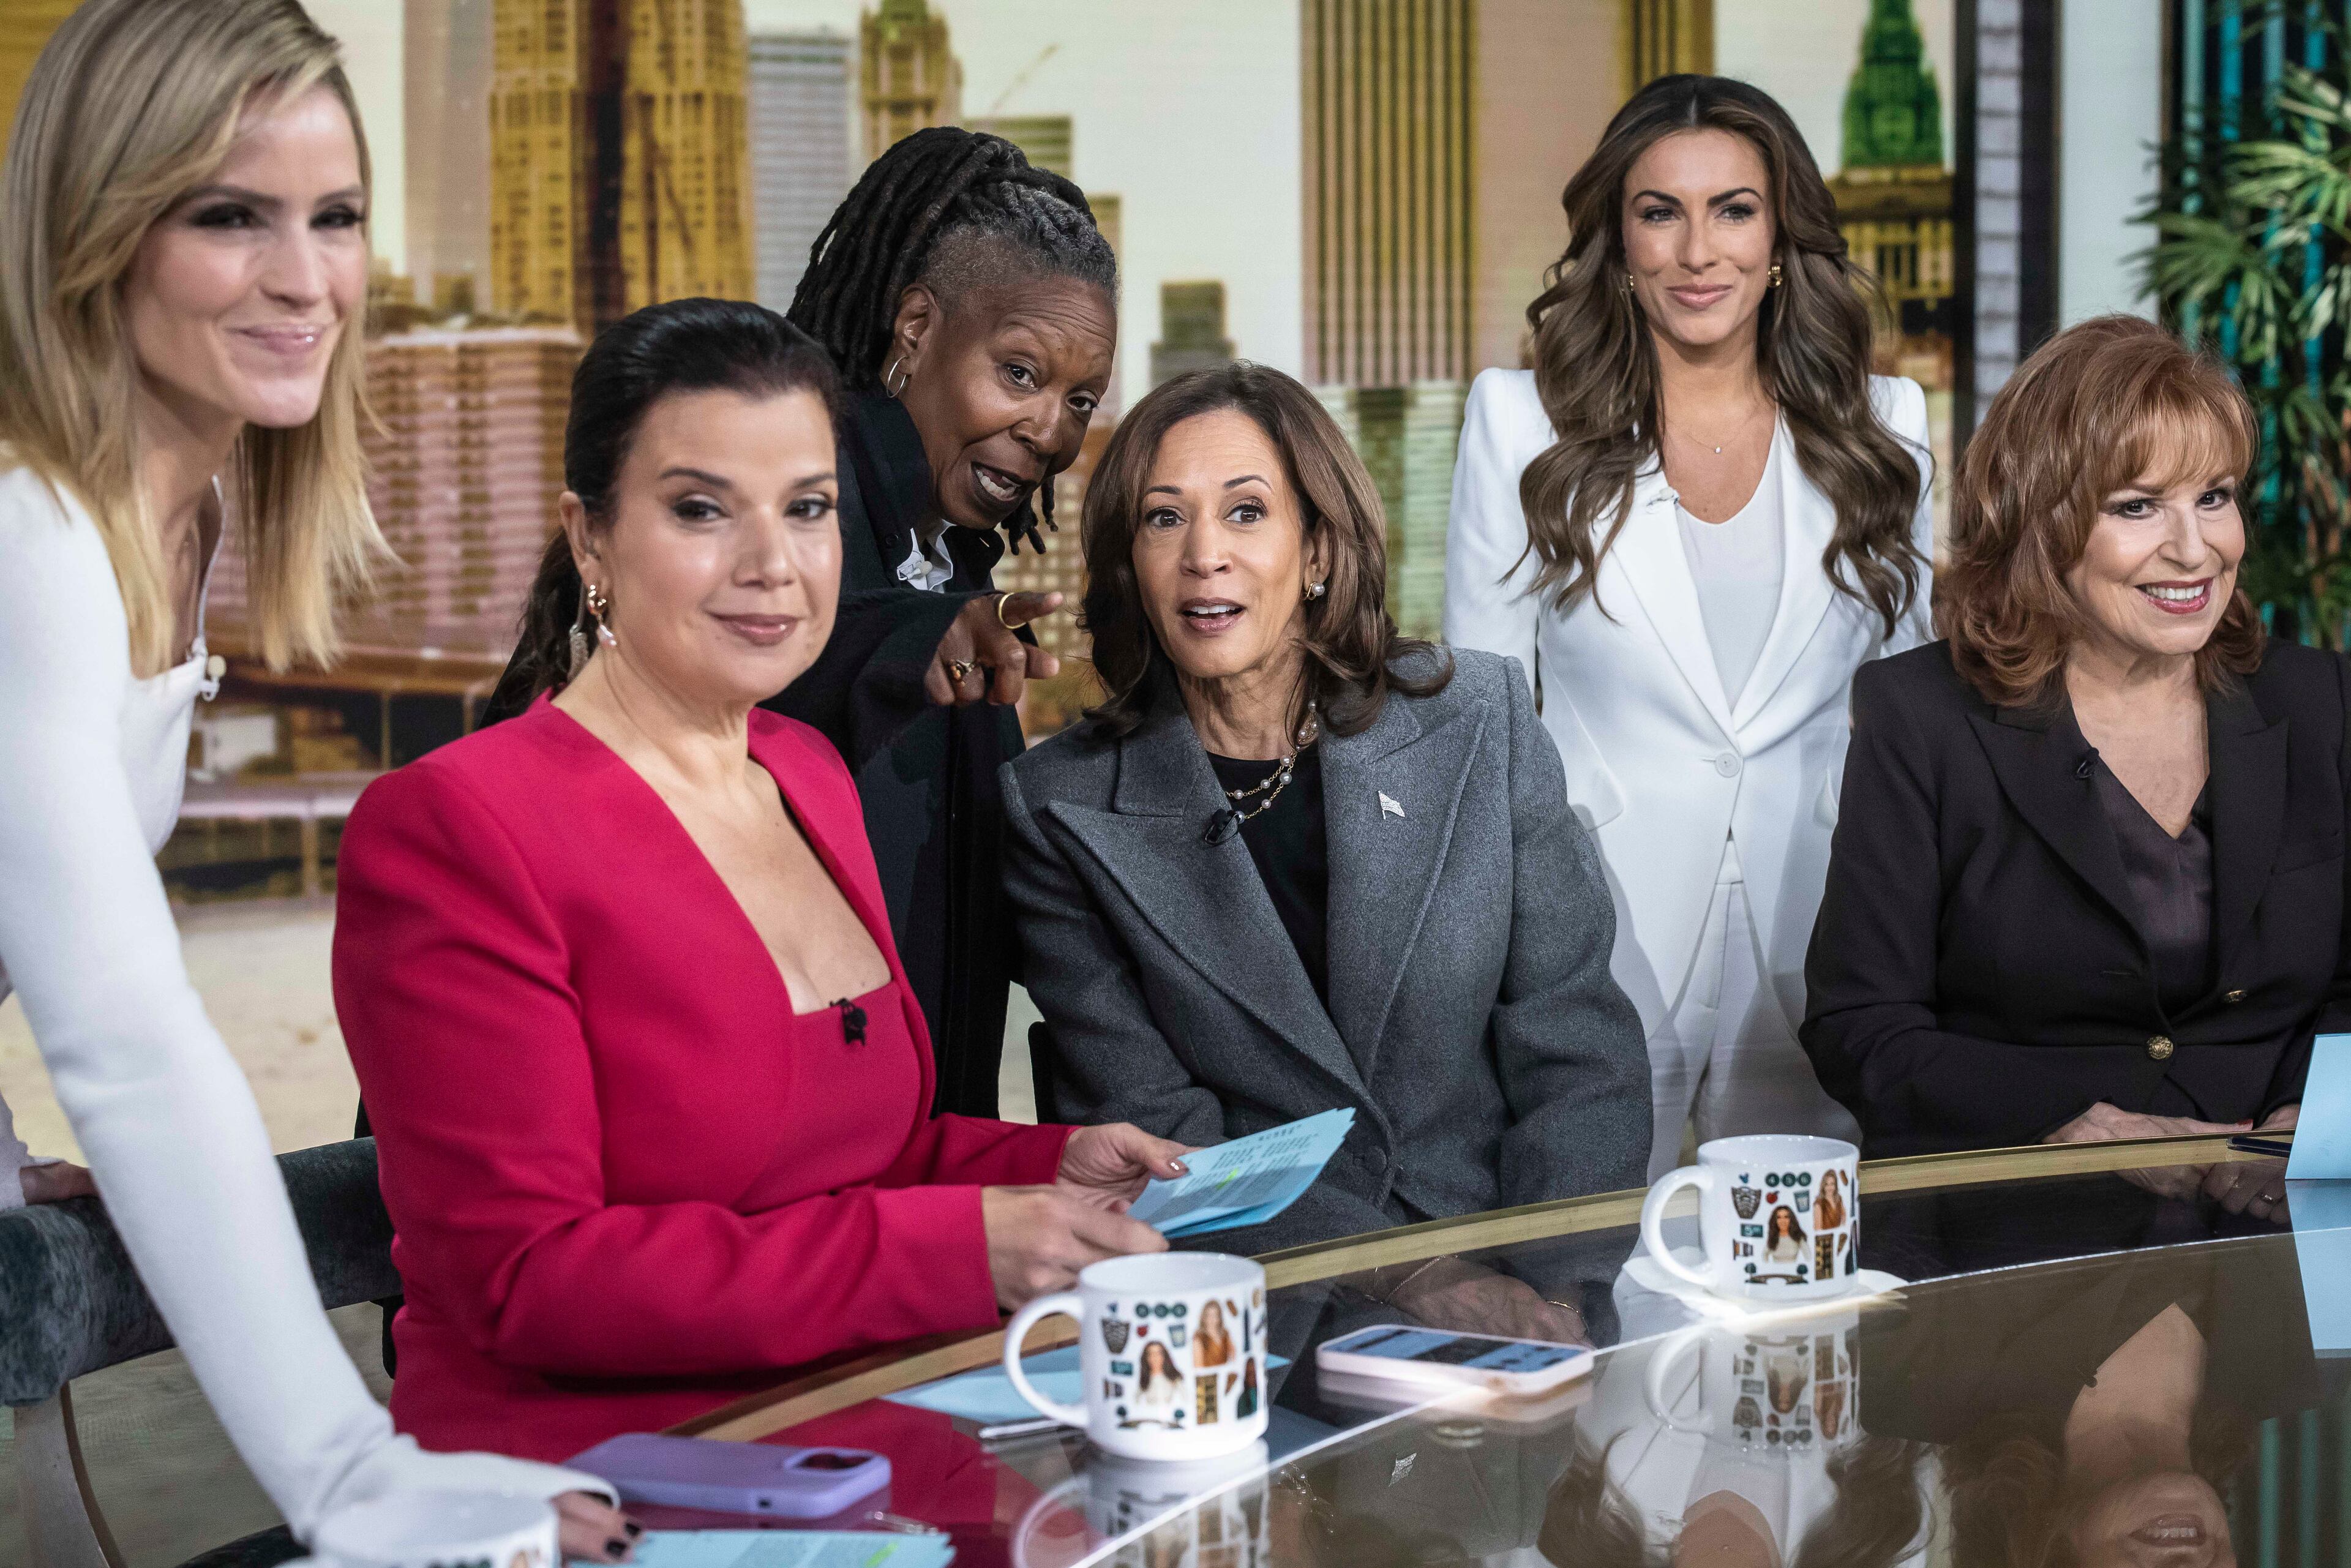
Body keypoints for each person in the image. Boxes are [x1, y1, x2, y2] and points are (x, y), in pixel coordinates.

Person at [333, 298, 1180, 1461]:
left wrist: (1046, 1167)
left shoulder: (808, 771)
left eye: (810, 509)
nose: (771, 565)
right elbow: (526, 1279)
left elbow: (855, 1160)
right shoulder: (455, 829)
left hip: (862, 1429)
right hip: (596, 1475)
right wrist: (959, 1252)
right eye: (699, 509)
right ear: (590, 538)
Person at [0, 0, 626, 1551]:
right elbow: (131, 1037)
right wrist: (351, 1473)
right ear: (100, 231)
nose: (305, 279)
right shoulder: (30, 536)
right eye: (231, 218)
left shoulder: (183, 511)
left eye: (335, 218)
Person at [1002, 362, 1649, 1345]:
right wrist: (1416, 1280)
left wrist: (1557, 1299)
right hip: (1260, 1313)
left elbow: (1578, 1051)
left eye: (1247, 512)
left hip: (1519, 1290)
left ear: (1317, 551)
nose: (1204, 555)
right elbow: (1163, 1135)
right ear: (1130, 560)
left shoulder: (1476, 718)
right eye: (1164, 519)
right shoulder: (1063, 806)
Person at [1444, 75, 1932, 1178]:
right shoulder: (1519, 423)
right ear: (1618, 242)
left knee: (1804, 1290)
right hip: (1594, 936)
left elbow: (1914, 717)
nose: (1698, 251)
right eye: (1660, 212)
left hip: (1829, 921)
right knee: (1602, 1265)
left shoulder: (1887, 427)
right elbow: (1480, 720)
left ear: (1781, 236)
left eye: (1735, 209)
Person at [1802, 315, 2328, 1160]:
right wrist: (2072, 1123)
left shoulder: (2319, 701)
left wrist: (2311, 1118)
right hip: (2029, 1214)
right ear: (2042, 525)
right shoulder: (1923, 716)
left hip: (2280, 1218)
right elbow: (1863, 1029)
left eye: (2214, 497)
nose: (2194, 549)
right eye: (2137, 506)